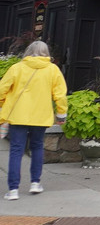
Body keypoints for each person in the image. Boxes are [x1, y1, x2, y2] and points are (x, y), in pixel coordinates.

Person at [1, 41, 68, 200]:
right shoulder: (53, 70)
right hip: (41, 116)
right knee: (37, 147)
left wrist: (3, 105)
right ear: (46, 53)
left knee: (16, 150)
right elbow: (60, 94)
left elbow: (2, 90)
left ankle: (13, 190)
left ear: (28, 51)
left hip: (18, 115)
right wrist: (61, 114)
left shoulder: (17, 68)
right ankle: (35, 183)